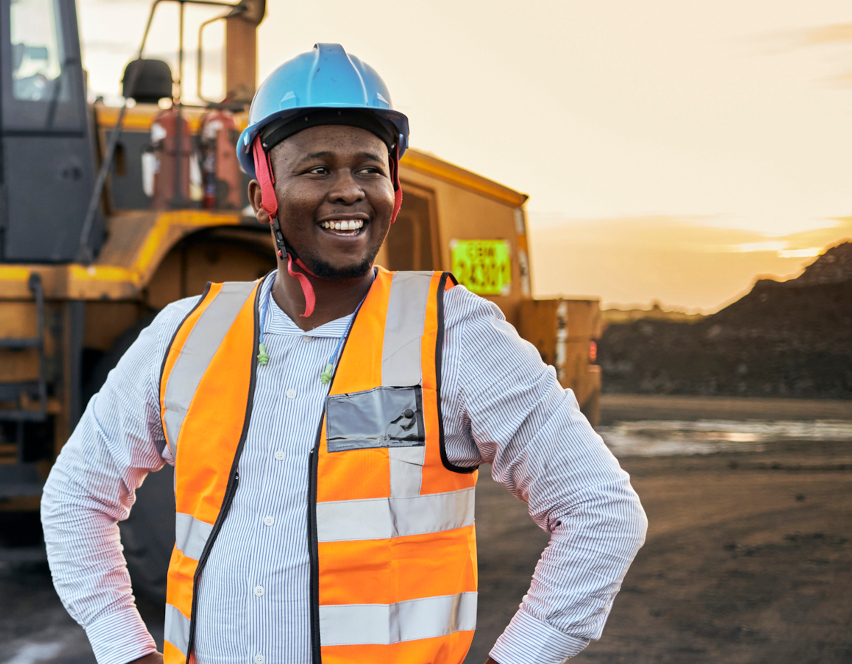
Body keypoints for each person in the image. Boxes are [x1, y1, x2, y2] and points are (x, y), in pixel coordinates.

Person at [41, 44, 647, 664]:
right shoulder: (184, 336)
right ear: (263, 194)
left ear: (395, 190)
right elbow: (73, 499)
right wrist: (124, 648)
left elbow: (602, 513)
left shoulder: (455, 336)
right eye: (317, 169)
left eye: (369, 169)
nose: (349, 191)